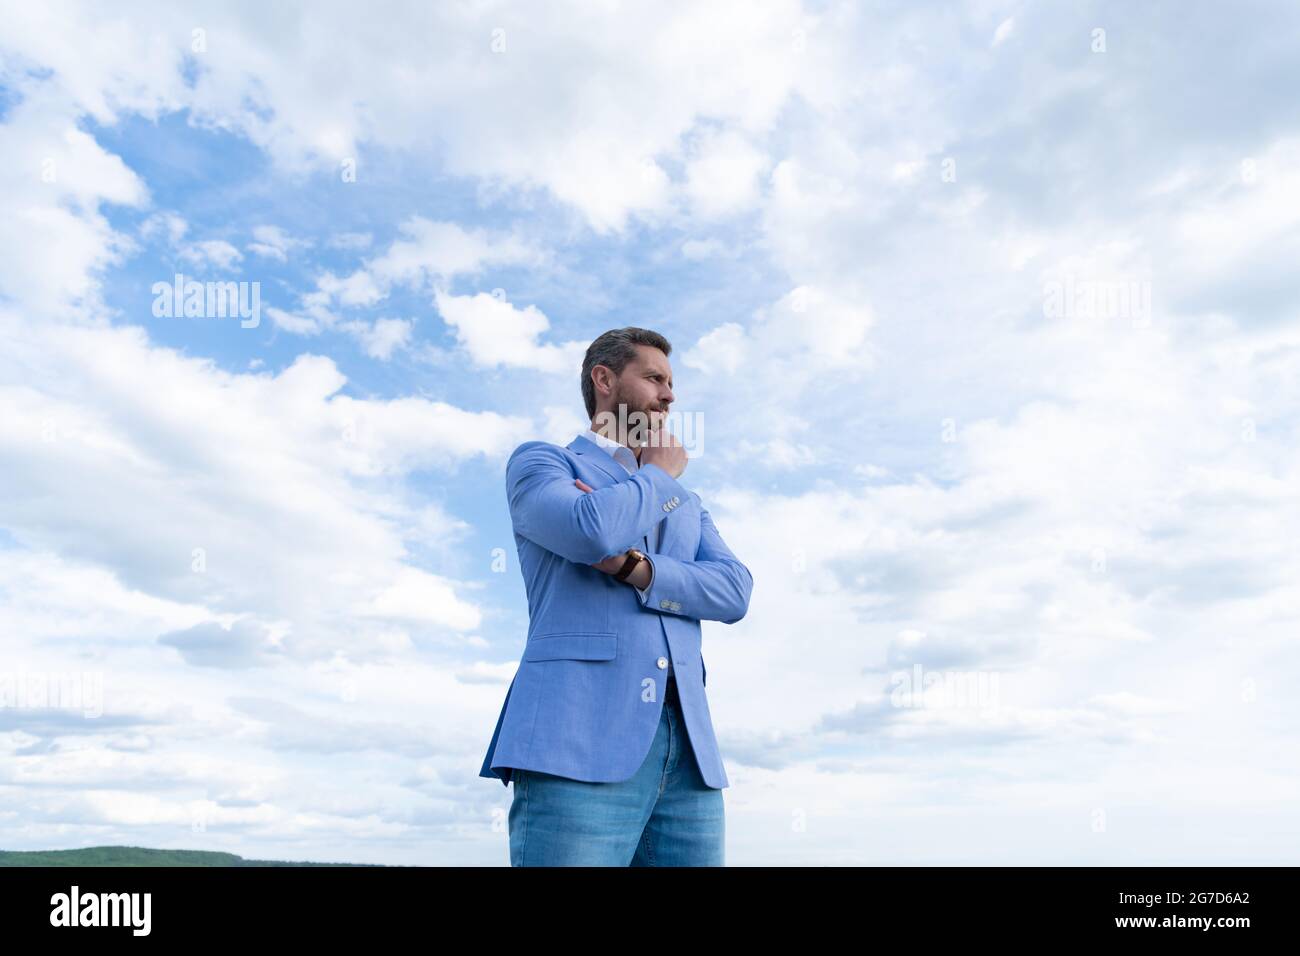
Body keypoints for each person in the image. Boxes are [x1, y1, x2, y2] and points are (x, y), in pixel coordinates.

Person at [479, 326, 753, 866]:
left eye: (672, 382)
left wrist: (637, 568)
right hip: (575, 736)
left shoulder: (683, 499)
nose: (670, 395)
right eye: (654, 378)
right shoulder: (542, 463)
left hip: (689, 752)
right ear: (604, 380)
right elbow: (590, 531)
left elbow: (733, 590)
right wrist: (658, 475)